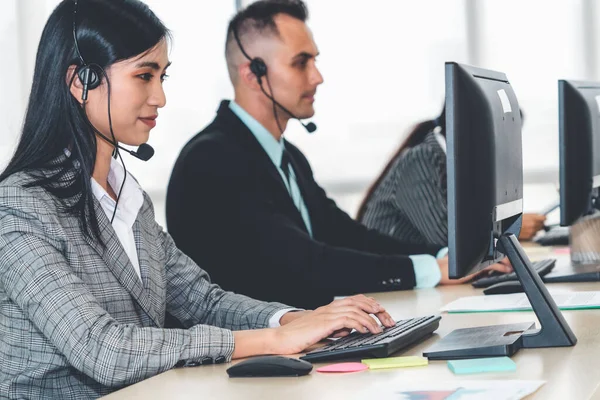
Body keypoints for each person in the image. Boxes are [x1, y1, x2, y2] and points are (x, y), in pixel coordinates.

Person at [0, 1, 397, 398]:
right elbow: (101, 348)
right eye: (144, 76)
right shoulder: (20, 207)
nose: (160, 97)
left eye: (162, 77)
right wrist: (269, 342)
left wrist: (296, 320)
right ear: (80, 81)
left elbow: (201, 301)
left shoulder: (127, 197)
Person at [166, 0, 511, 310]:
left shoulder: (287, 157)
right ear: (253, 75)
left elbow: (345, 234)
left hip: (303, 336)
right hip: (248, 360)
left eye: (314, 61)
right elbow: (305, 261)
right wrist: (425, 271)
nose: (317, 77)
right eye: (301, 63)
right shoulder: (212, 161)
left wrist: (443, 258)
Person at [357, 106, 547, 246]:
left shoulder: (456, 165)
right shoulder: (422, 158)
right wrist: (509, 228)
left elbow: (476, 219)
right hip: (391, 284)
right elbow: (446, 236)